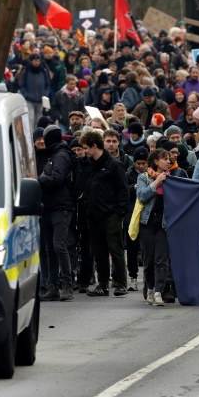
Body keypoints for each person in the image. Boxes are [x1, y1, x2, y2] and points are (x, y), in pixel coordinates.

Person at [80, 130, 130, 297]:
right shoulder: (88, 165)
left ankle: (121, 283)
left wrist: (119, 213)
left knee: (115, 249)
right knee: (99, 252)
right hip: (93, 215)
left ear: (94, 146)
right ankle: (102, 284)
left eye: (86, 147)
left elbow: (123, 191)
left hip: (111, 215)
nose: (84, 151)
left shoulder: (114, 165)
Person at [37, 126, 76, 301]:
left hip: (61, 206)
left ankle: (67, 285)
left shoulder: (61, 155)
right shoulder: (55, 155)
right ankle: (53, 287)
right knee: (49, 248)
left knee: (58, 245)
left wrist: (39, 180)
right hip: (50, 206)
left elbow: (58, 179)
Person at [136, 149, 173, 306]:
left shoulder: (172, 179)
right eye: (165, 159)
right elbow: (142, 195)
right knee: (149, 259)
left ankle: (159, 291)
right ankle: (150, 288)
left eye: (169, 159)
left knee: (162, 260)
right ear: (156, 162)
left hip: (164, 224)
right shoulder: (144, 177)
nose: (168, 161)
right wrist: (156, 183)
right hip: (147, 222)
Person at [68, 136, 94, 293]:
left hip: (85, 209)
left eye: (80, 149)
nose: (77, 152)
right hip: (72, 208)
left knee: (86, 246)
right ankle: (71, 277)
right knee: (70, 244)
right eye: (75, 150)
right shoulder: (69, 164)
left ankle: (85, 279)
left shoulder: (89, 165)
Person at [125, 147, 148, 293]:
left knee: (146, 249)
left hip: (146, 214)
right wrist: (132, 188)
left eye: (143, 163)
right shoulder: (128, 173)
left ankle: (147, 278)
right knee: (131, 248)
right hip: (132, 214)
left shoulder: (151, 174)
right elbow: (122, 190)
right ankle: (133, 278)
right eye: (138, 163)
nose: (140, 166)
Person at [19, 53, 51, 131]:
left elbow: (47, 84)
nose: (37, 62)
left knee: (39, 118)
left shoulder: (43, 71)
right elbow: (22, 85)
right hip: (29, 99)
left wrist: (45, 94)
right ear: (31, 61)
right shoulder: (26, 71)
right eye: (35, 61)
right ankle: (31, 134)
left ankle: (38, 133)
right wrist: (26, 95)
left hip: (40, 99)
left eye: (38, 61)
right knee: (31, 118)